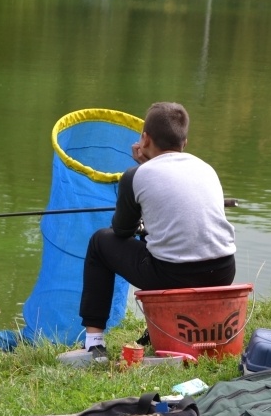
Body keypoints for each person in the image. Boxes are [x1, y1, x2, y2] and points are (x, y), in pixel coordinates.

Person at [59, 102, 237, 365]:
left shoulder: (135, 175)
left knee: (100, 242)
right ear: (184, 142)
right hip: (222, 273)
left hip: (171, 275)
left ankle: (93, 346)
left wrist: (140, 172)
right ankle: (174, 331)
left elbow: (121, 230)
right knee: (164, 248)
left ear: (144, 138)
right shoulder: (206, 168)